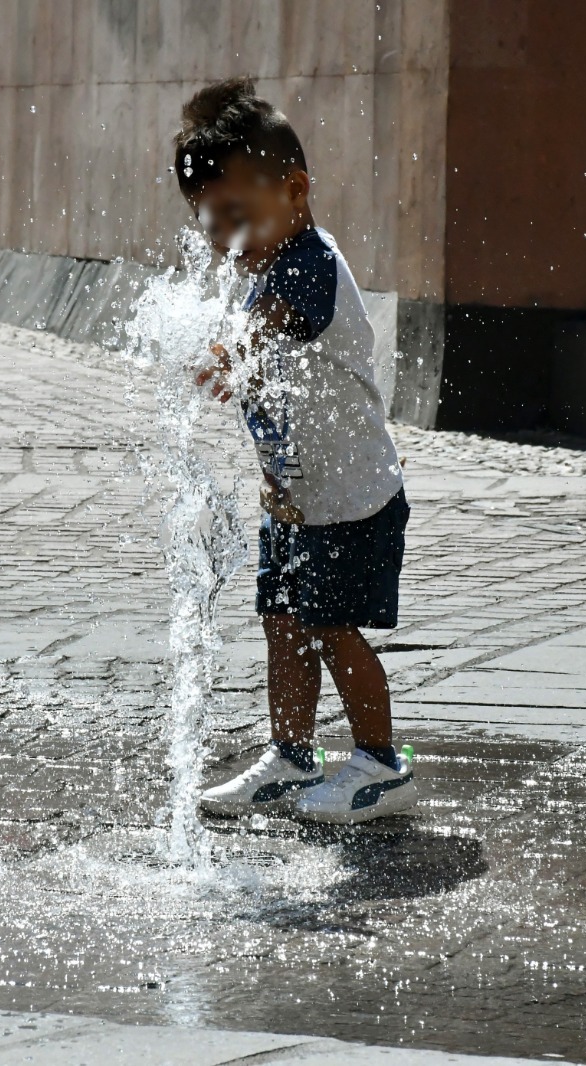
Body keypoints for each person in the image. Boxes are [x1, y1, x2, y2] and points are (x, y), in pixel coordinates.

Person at [174, 77, 416, 824]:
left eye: (237, 216)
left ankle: (381, 763)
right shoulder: (262, 265)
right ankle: (291, 755)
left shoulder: (309, 262)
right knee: (283, 624)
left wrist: (226, 352)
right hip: (295, 497)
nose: (224, 240)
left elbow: (272, 330)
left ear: (296, 190)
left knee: (331, 629)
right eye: (210, 222)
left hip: (352, 498)